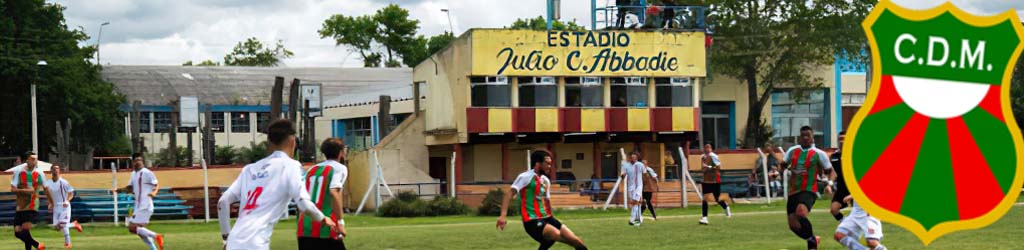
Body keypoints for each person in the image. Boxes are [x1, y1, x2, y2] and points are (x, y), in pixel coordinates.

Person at [219, 119, 338, 250]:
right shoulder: (291, 166)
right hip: (255, 244)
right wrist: (323, 218)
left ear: (269, 142)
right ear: (293, 141)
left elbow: (223, 202)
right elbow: (304, 204)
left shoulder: (250, 169)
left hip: (234, 242)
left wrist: (226, 238)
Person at [497, 150, 588, 250]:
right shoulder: (525, 177)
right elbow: (508, 194)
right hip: (532, 220)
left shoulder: (545, 180)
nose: (550, 166)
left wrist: (552, 218)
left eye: (551, 164)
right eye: (547, 164)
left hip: (547, 218)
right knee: (558, 236)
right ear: (538, 164)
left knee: (576, 240)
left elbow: (547, 202)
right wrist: (502, 216)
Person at [780, 126, 835, 250]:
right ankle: (813, 239)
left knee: (801, 212)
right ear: (800, 136)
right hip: (793, 191)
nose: (805, 138)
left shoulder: (819, 154)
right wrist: (781, 172)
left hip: (809, 189)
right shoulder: (792, 151)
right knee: (793, 225)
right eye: (803, 135)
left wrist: (829, 184)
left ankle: (812, 246)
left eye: (808, 135)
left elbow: (831, 171)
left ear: (812, 137)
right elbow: (783, 164)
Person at [297, 138, 349, 249]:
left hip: (305, 224)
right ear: (341, 152)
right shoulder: (339, 168)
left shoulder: (312, 169)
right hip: (326, 223)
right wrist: (340, 222)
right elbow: (334, 191)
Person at [114, 153, 164, 250]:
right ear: (133, 162)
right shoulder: (133, 174)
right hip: (138, 205)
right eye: (137, 160)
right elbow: (130, 188)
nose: (139, 162)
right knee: (138, 230)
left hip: (145, 205)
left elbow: (156, 184)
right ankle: (153, 248)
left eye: (140, 160)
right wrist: (119, 190)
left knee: (132, 228)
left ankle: (156, 236)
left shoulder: (147, 172)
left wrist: (154, 193)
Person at [11, 151, 46, 250]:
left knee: (24, 229)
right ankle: (37, 244)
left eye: (17, 160)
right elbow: (13, 188)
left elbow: (31, 190)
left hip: (30, 205)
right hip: (20, 206)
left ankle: (36, 245)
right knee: (18, 232)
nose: (16, 162)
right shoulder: (18, 173)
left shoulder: (35, 173)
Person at [43, 166, 82, 248]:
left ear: (59, 171)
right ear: (51, 171)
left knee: (62, 225)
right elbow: (48, 194)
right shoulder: (48, 183)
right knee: (57, 227)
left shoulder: (63, 182)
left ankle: (68, 243)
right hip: (55, 207)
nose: (55, 170)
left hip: (64, 206)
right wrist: (50, 203)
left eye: (57, 169)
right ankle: (74, 224)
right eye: (54, 169)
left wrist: (67, 201)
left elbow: (71, 193)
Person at [699, 144, 731, 225]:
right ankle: (704, 217)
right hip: (706, 181)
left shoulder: (713, 156)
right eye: (705, 147)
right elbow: (702, 168)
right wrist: (704, 170)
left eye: (708, 147)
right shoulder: (703, 157)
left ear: (711, 149)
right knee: (705, 198)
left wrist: (709, 166)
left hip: (715, 180)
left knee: (717, 198)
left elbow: (718, 167)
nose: (706, 149)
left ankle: (726, 206)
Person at [830, 131, 851, 222]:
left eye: (844, 139)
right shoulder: (834, 156)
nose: (842, 141)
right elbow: (833, 172)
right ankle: (845, 223)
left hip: (854, 188)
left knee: (861, 212)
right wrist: (829, 183)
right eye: (840, 139)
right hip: (841, 188)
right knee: (834, 209)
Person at [620, 152, 645, 226]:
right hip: (630, 187)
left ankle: (632, 219)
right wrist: (622, 175)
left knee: (635, 202)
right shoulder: (626, 165)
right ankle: (639, 219)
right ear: (630, 158)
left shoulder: (640, 165)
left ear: (637, 158)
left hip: (638, 186)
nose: (633, 159)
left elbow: (645, 174)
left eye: (635, 157)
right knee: (636, 203)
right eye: (632, 157)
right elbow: (622, 177)